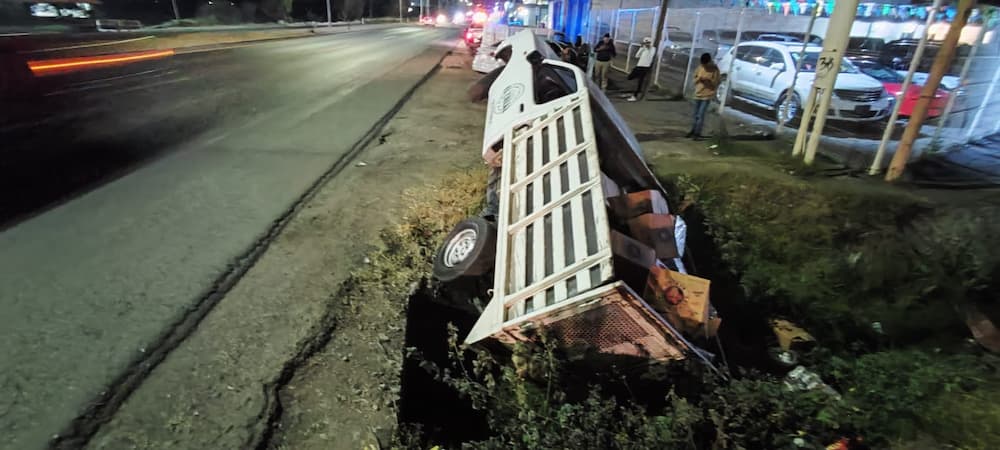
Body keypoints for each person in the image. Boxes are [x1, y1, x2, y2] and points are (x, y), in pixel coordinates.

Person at [687, 52, 720, 140]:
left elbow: (716, 83)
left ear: (709, 61)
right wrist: (699, 79)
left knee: (700, 115)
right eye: (703, 64)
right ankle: (693, 130)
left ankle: (697, 133)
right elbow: (694, 79)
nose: (704, 66)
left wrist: (709, 81)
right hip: (698, 93)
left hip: (707, 95)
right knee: (695, 115)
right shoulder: (700, 67)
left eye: (706, 64)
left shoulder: (714, 69)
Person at [626, 37, 655, 101]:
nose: (647, 44)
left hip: (645, 67)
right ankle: (635, 91)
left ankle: (635, 96)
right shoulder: (643, 48)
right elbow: (637, 56)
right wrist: (642, 48)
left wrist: (647, 48)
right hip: (639, 66)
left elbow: (651, 56)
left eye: (648, 43)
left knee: (640, 82)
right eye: (645, 43)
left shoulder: (653, 49)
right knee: (629, 77)